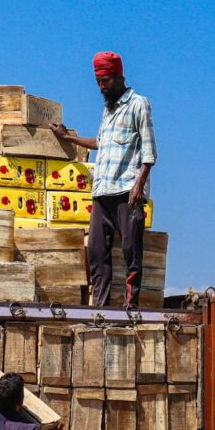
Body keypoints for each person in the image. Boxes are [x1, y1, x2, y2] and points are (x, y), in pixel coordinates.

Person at [50, 51, 157, 307]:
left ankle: (131, 306)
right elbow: (102, 143)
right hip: (102, 191)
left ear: (120, 77)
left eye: (106, 81)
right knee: (97, 254)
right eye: (98, 81)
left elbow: (150, 150)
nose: (101, 87)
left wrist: (139, 186)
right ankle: (100, 307)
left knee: (132, 252)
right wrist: (69, 139)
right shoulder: (107, 111)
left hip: (126, 191)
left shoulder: (138, 104)